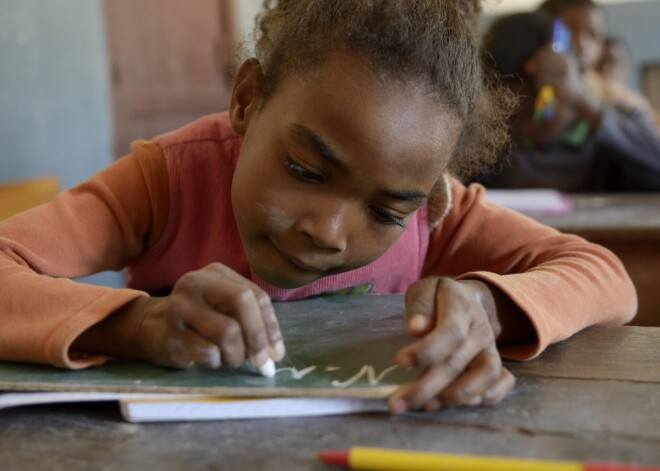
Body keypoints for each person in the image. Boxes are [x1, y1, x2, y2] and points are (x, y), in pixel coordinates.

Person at [0, 0, 636, 415]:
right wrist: (133, 324)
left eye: (385, 212)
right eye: (305, 170)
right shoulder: (169, 179)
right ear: (247, 99)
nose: (327, 232)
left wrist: (488, 307)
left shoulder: (433, 211)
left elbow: (606, 277)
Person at [476, 11, 660, 192]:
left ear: (568, 83)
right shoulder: (494, 141)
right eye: (508, 111)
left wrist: (586, 105)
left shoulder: (625, 121)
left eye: (535, 107)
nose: (527, 126)